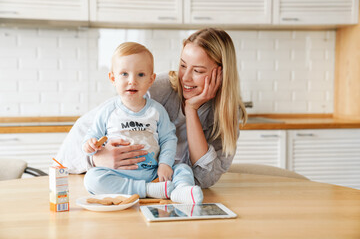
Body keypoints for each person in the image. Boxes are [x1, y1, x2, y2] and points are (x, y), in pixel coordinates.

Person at [56, 27, 247, 194]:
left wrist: (191, 111)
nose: (186, 78)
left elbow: (205, 179)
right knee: (94, 180)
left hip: (169, 191)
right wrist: (97, 159)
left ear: (221, 74)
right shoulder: (158, 88)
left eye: (197, 71)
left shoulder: (227, 114)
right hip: (127, 184)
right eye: (182, 66)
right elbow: (82, 134)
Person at [81, 42, 203, 204]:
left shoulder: (157, 111)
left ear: (151, 79)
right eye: (124, 74)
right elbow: (92, 137)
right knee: (92, 179)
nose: (132, 81)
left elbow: (168, 139)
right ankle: (148, 190)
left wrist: (165, 164)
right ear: (113, 78)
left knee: (183, 169)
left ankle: (181, 192)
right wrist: (90, 146)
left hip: (152, 172)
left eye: (140, 75)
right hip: (118, 173)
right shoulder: (107, 111)